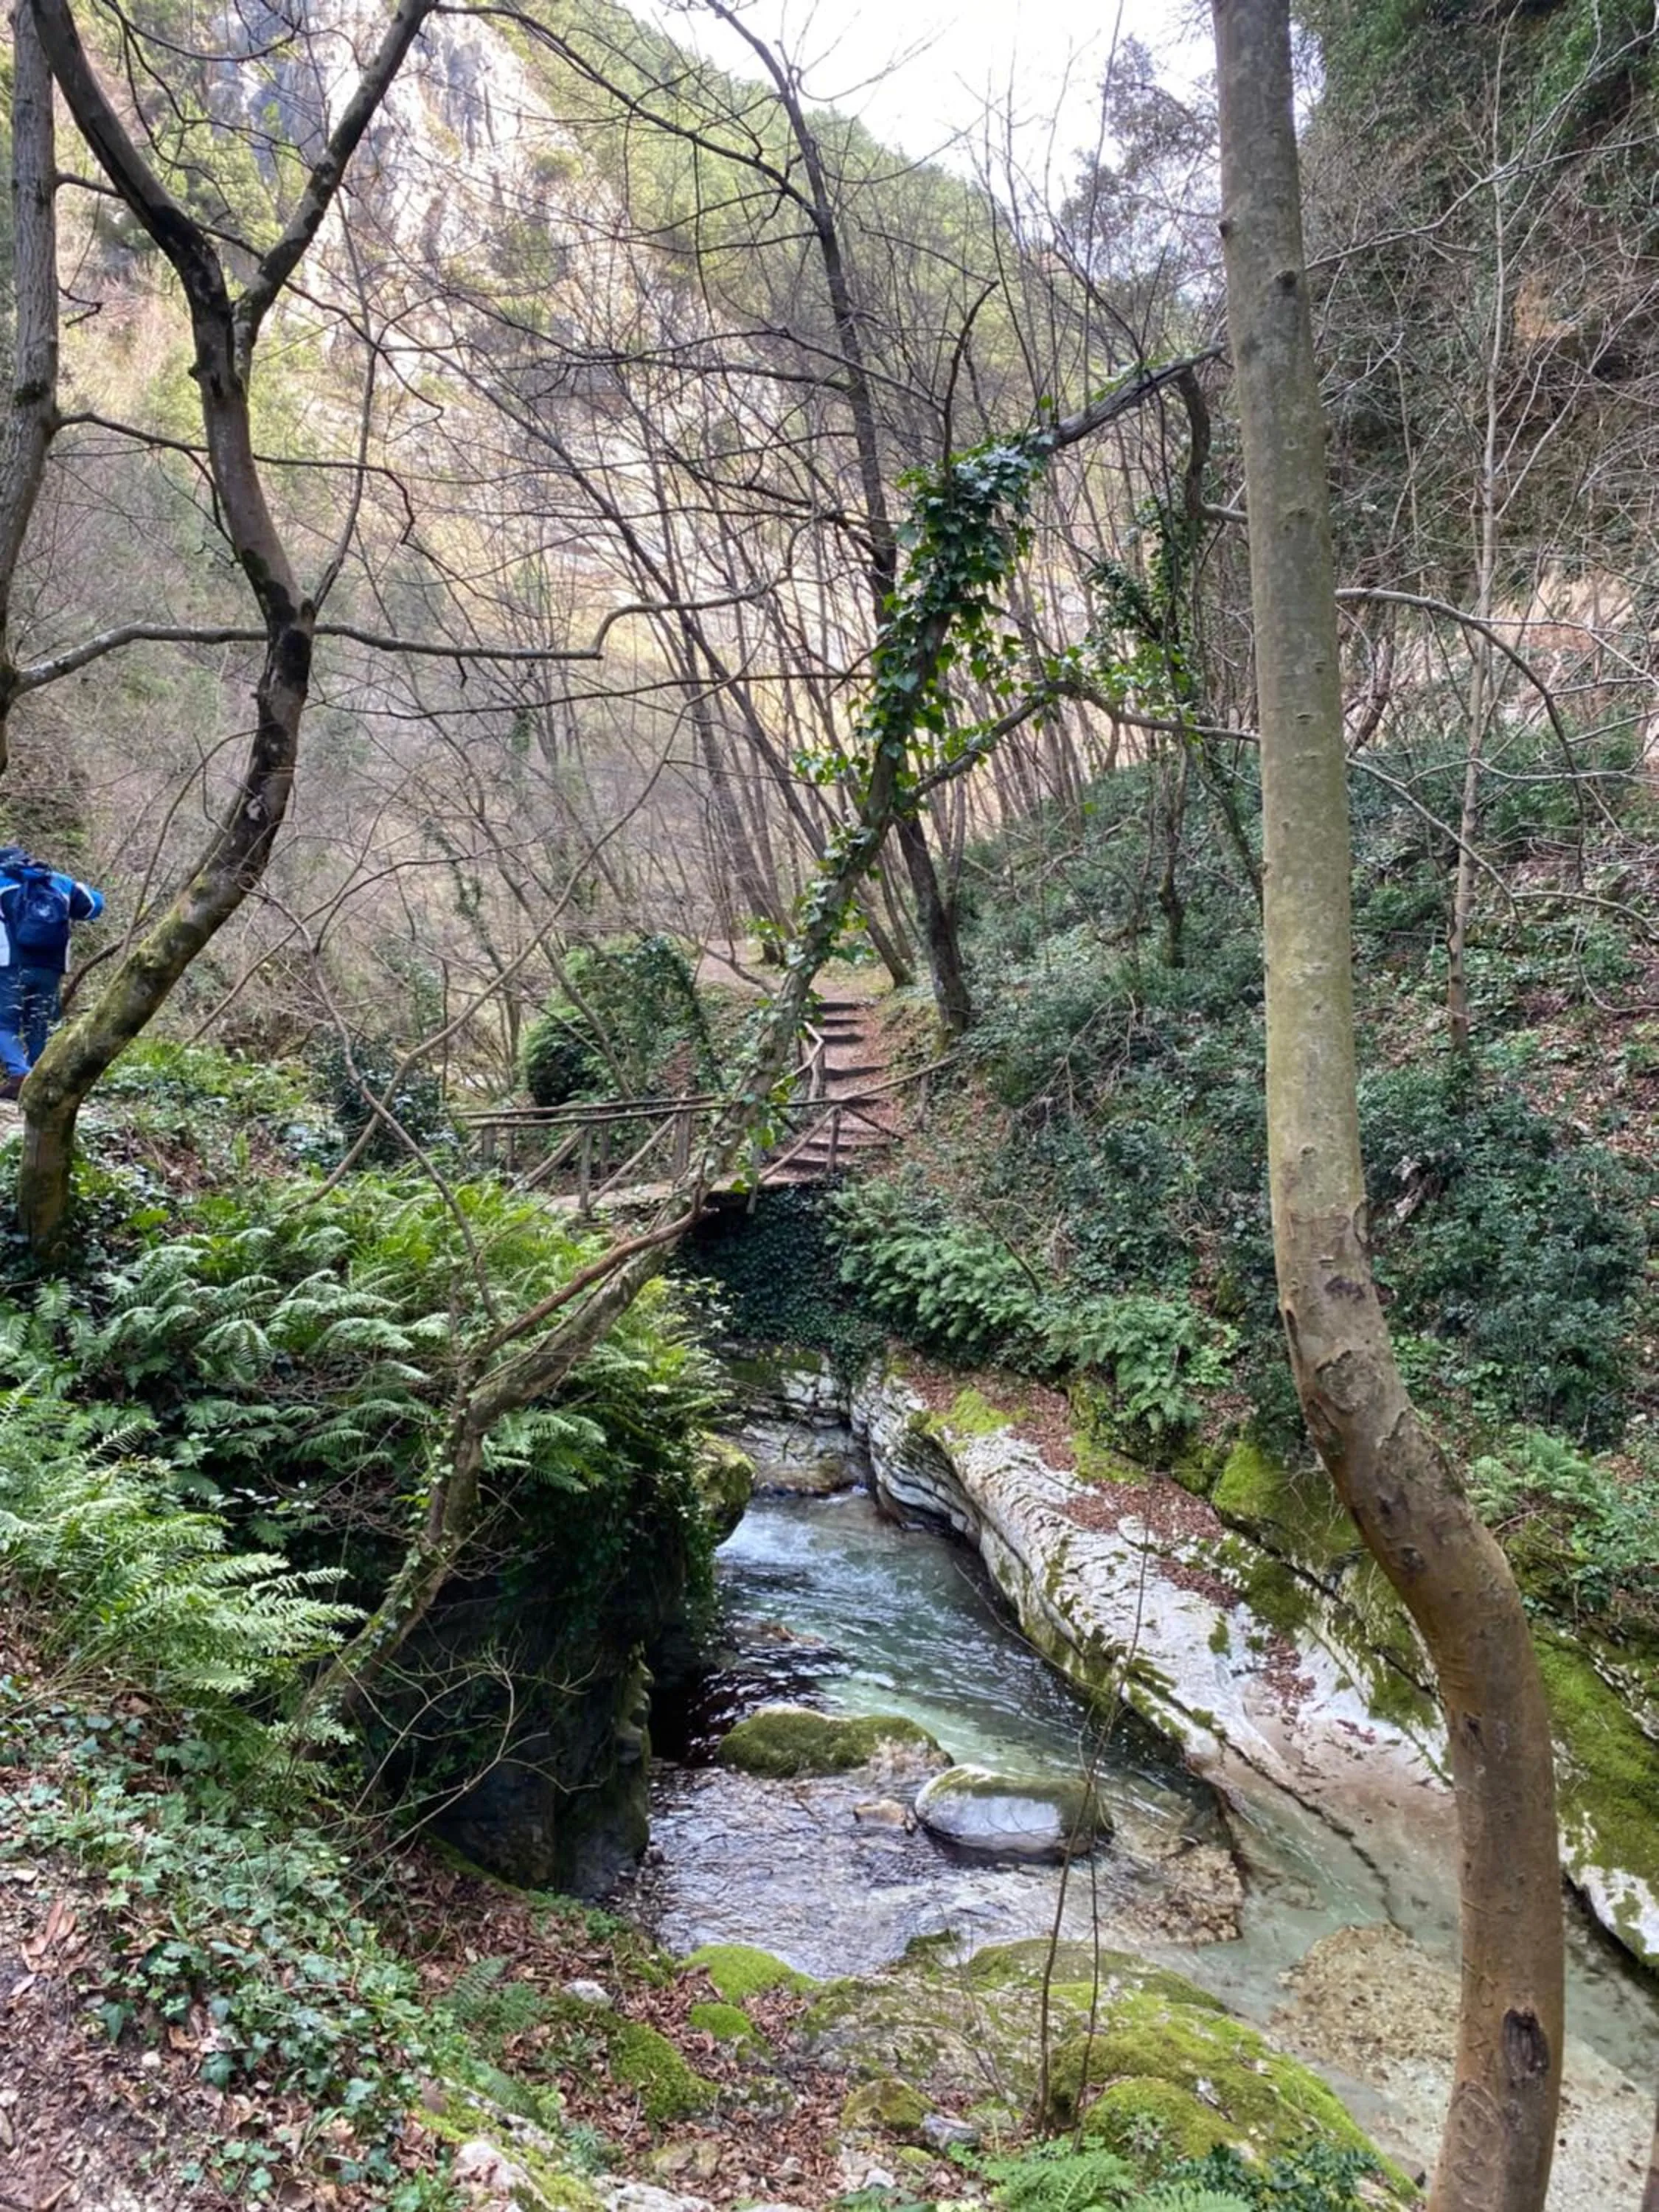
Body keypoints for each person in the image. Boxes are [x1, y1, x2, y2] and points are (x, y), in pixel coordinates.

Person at [0, 846, 105, 1099]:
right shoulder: (59, 881)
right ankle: (39, 1079)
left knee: (4, 1023)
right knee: (39, 1025)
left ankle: (20, 1073)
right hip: (51, 967)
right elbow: (95, 905)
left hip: (10, 965)